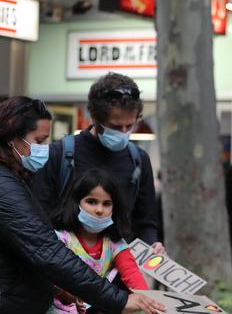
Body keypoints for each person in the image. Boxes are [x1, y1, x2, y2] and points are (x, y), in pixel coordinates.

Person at [0, 96, 164, 313]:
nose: (45, 148)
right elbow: (46, 251)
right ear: (13, 139)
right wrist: (118, 300)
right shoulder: (5, 186)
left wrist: (59, 288)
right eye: (39, 141)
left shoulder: (16, 177)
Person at [32, 73, 164, 253]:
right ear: (94, 117)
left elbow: (146, 223)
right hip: (65, 268)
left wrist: (152, 245)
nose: (124, 133)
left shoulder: (139, 160)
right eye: (116, 126)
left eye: (129, 126)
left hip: (118, 272)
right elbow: (39, 218)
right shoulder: (59, 155)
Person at [48, 168, 150, 313]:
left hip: (101, 305)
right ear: (76, 203)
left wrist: (147, 300)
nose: (99, 210)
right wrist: (70, 295)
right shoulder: (61, 239)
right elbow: (52, 279)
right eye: (92, 202)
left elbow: (132, 273)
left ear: (115, 209)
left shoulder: (115, 244)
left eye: (106, 203)